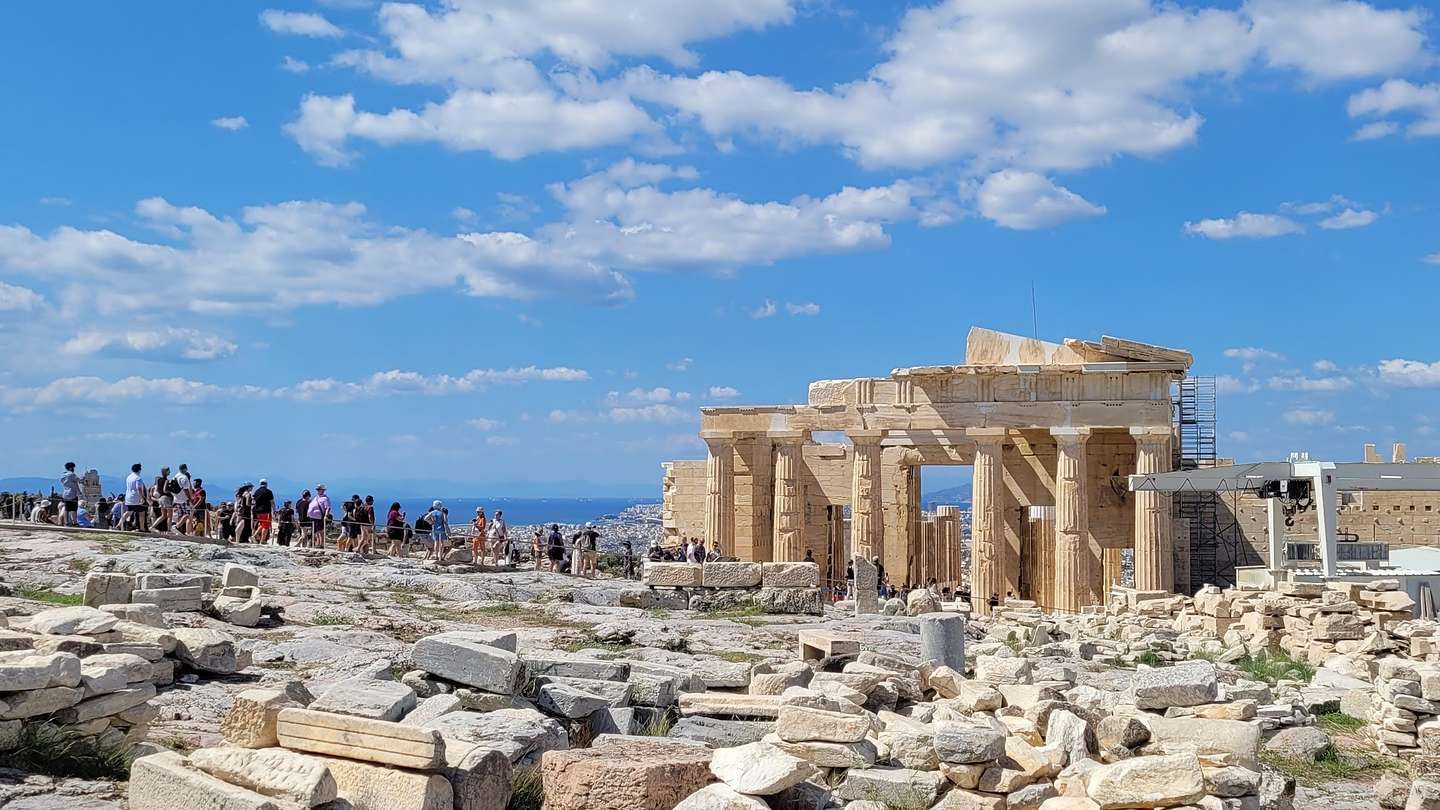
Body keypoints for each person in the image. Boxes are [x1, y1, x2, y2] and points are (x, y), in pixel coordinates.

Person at [123, 463, 147, 532]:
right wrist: (142, 497)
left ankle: (119, 524)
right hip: (136, 498)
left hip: (128, 497)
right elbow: (138, 488)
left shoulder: (128, 477)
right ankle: (142, 528)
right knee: (142, 513)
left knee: (128, 512)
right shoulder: (138, 478)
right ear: (139, 470)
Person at [59, 462, 81, 527]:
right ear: (71, 467)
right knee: (74, 509)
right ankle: (75, 522)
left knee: (67, 509)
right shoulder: (72, 474)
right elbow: (79, 480)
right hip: (72, 493)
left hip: (65, 493)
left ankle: (66, 522)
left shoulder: (63, 475)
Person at [252, 479, 275, 544]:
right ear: (266, 484)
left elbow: (253, 501)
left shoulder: (256, 491)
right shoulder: (268, 491)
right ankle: (262, 540)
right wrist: (274, 510)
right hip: (266, 511)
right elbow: (272, 502)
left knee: (262, 524)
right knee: (266, 526)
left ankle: (255, 535)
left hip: (258, 511)